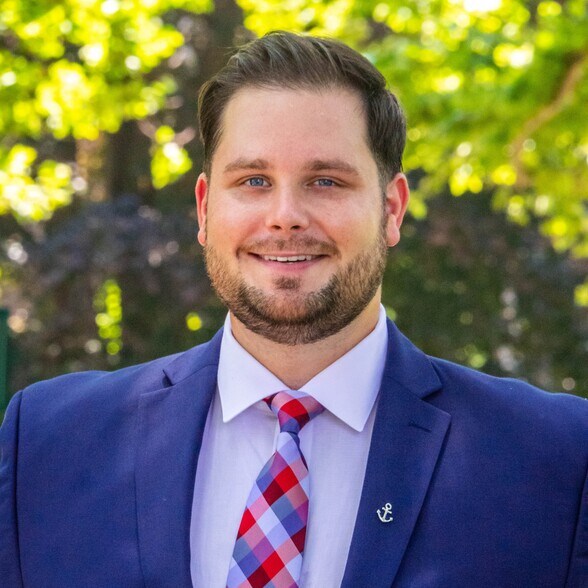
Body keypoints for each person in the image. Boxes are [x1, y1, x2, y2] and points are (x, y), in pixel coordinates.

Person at [0, 31, 586, 588]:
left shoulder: (554, 459)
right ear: (204, 209)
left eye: (325, 181)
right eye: (253, 180)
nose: (285, 217)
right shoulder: (49, 445)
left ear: (391, 210)